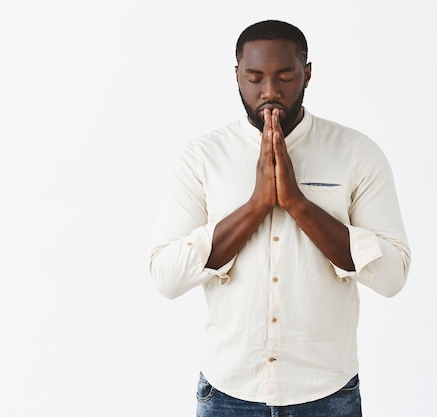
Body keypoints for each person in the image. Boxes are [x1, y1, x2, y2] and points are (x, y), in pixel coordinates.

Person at [149, 19, 411, 417]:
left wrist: (298, 204)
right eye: (254, 78)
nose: (269, 92)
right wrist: (256, 205)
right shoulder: (202, 158)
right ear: (236, 76)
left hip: (327, 393)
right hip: (227, 393)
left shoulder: (357, 153)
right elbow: (166, 277)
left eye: (285, 76)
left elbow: (393, 277)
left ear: (307, 73)